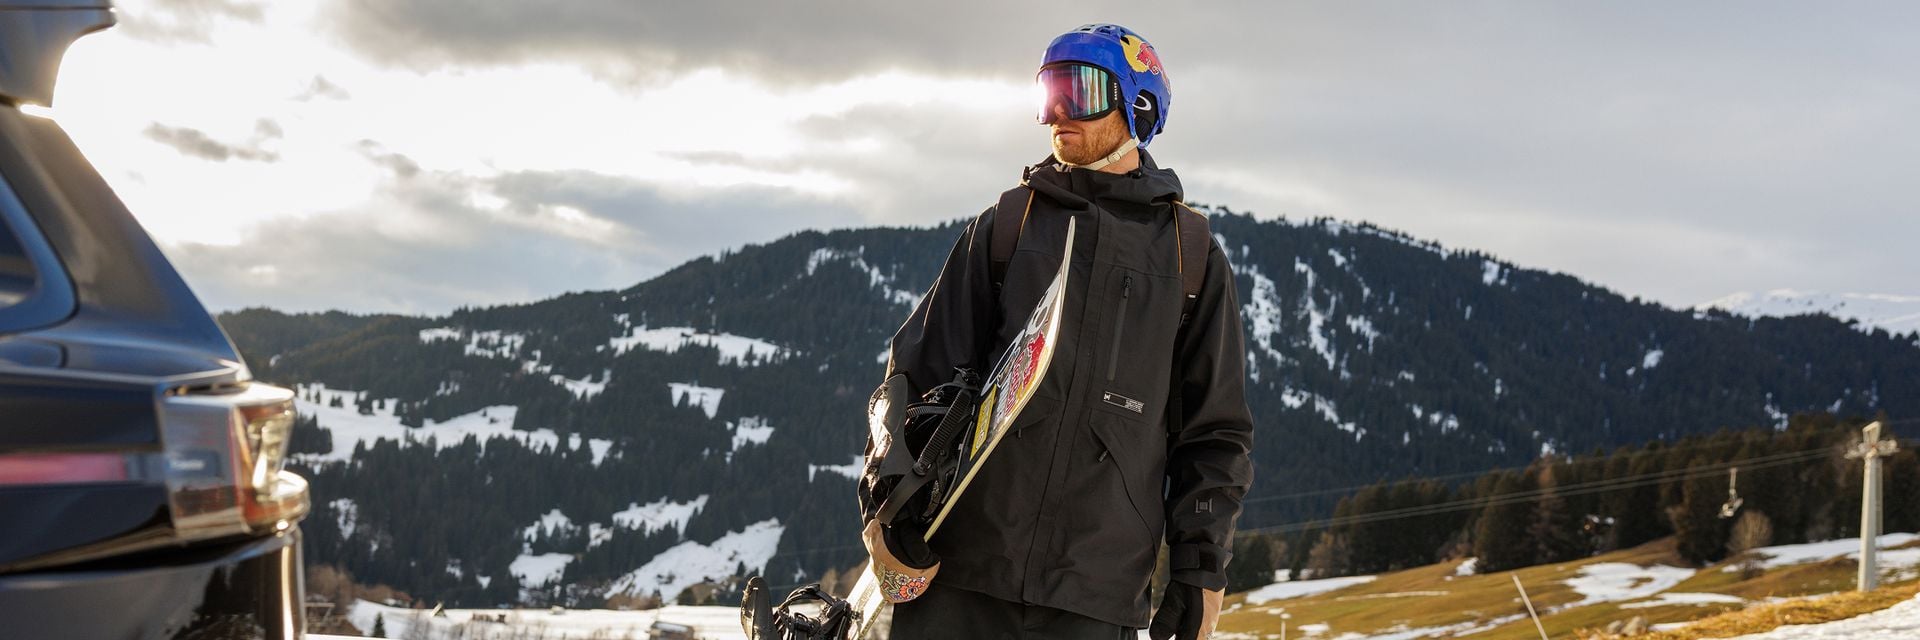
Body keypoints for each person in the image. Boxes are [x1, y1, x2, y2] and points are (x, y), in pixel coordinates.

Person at [863, 23, 1255, 640]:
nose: (1057, 113)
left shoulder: (1190, 256)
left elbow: (1215, 434)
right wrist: (888, 502)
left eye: (1079, 90)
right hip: (961, 578)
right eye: (1047, 92)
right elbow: (912, 378)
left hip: (1094, 596)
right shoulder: (1011, 225)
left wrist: (1199, 570)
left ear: (1137, 105)